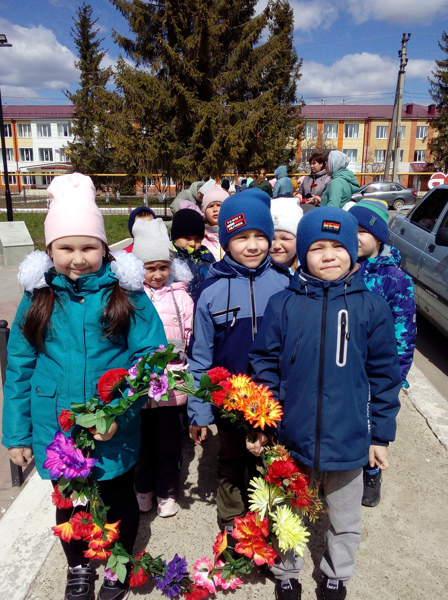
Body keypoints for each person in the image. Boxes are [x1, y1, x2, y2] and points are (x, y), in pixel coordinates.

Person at [2, 173, 167, 600]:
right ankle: (78, 566)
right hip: (57, 429)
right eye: (66, 248)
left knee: (117, 499)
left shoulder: (126, 294)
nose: (78, 258)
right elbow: (19, 366)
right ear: (50, 249)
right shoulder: (37, 296)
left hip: (113, 428)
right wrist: (17, 435)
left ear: (104, 247)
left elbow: (149, 360)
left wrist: (117, 415)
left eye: (88, 247)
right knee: (67, 503)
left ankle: (117, 564)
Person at [247, 207, 401, 600]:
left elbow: (386, 375)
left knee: (345, 518)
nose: (328, 255)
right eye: (317, 247)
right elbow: (263, 360)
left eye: (337, 246)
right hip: (292, 436)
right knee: (289, 511)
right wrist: (265, 422)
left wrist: (379, 435)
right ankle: (286, 572)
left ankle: (336, 575)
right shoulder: (284, 304)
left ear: (353, 251)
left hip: (348, 439)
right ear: (302, 253)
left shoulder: (371, 307)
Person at [187, 188, 290, 534]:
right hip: (229, 401)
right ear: (226, 239)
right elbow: (200, 357)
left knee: (268, 461)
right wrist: (199, 410)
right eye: (241, 236)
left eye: (260, 236)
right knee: (232, 459)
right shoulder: (211, 291)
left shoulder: (284, 284)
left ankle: (267, 520)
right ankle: (232, 521)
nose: (252, 245)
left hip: (273, 398)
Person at [349, 198, 416, 507]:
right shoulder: (342, 269)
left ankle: (372, 473)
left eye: (364, 230)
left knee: (375, 423)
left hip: (378, 369)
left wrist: (397, 375)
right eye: (352, 229)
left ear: (379, 237)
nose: (356, 236)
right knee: (350, 420)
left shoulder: (396, 280)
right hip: (347, 367)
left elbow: (404, 332)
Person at [132, 218, 194, 518]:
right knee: (141, 443)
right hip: (140, 384)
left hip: (172, 382)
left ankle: (167, 489)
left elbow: (191, 334)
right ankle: (143, 487)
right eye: (150, 268)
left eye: (163, 267)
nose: (157, 275)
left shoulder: (181, 296)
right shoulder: (130, 297)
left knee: (168, 442)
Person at [170, 208, 215, 301]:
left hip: (204, 302)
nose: (192, 243)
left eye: (197, 238)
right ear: (175, 237)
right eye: (187, 238)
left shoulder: (206, 254)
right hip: (179, 305)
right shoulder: (170, 256)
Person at [270, 197, 303, 274]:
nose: (277, 246)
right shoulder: (256, 274)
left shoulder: (308, 271)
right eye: (272, 238)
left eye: (285, 239)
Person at [201, 184, 229, 261]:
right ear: (204, 212)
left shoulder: (233, 235)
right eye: (210, 206)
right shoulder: (200, 237)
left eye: (219, 205)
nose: (215, 209)